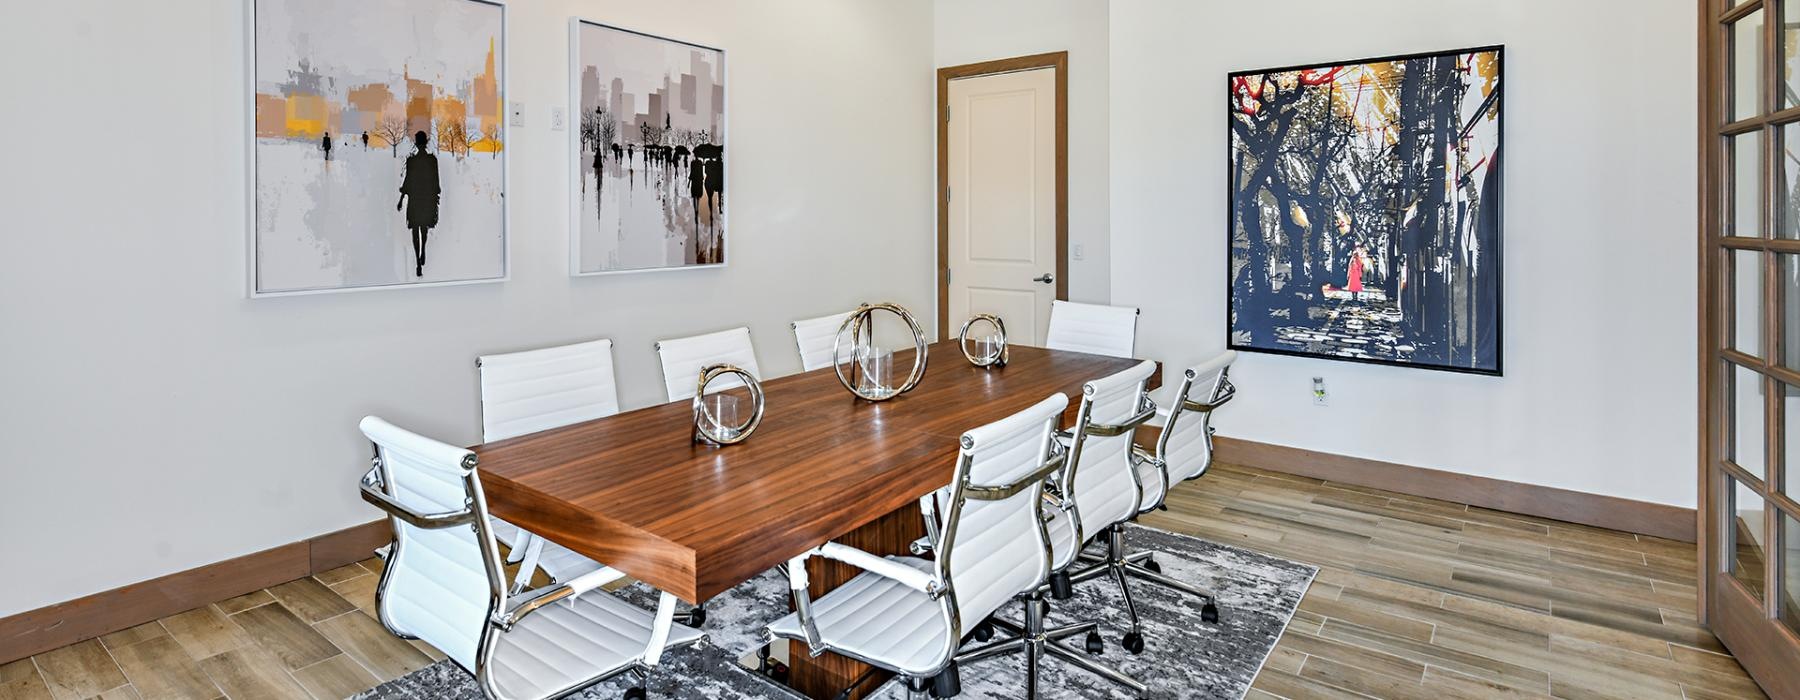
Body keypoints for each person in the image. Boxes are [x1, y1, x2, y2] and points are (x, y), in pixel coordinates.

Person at [396, 131, 441, 278]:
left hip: (415, 199)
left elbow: (407, 181)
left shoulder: (411, 161)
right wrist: (435, 198)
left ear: (416, 143)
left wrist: (401, 198)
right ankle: (423, 251)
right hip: (427, 199)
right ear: (426, 142)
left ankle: (417, 261)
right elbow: (436, 182)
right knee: (424, 229)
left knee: (415, 230)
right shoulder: (432, 160)